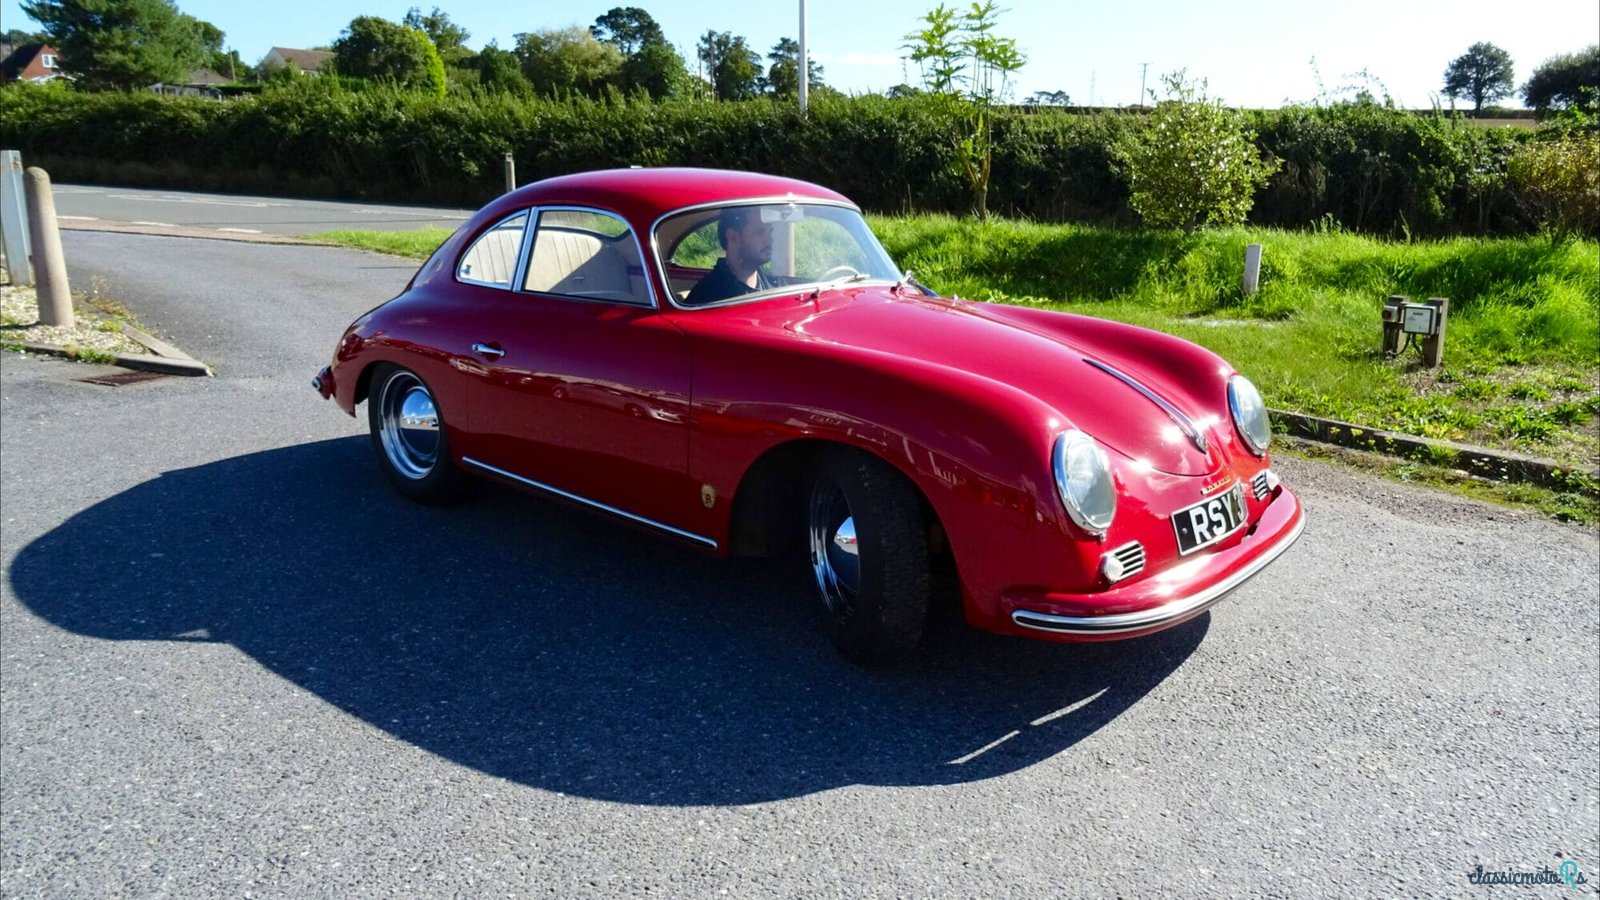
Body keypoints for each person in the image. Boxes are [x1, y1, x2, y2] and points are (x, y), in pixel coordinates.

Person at [685, 207, 776, 305]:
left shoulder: (776, 284)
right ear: (733, 237)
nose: (770, 240)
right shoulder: (707, 297)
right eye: (759, 232)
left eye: (770, 232)